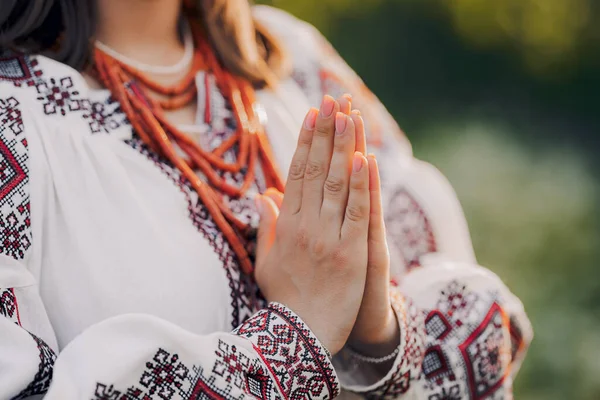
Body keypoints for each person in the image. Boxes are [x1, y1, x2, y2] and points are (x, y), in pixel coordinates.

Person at [0, 0, 532, 398]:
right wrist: (291, 345)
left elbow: (475, 336)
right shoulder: (14, 121)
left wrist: (378, 334)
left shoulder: (289, 56)